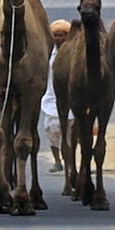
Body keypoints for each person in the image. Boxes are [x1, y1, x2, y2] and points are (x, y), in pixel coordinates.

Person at [40, 19, 72, 172]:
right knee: (51, 129)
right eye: (56, 35)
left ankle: (70, 162)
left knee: (71, 134)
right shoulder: (47, 54)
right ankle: (57, 160)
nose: (59, 38)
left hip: (71, 98)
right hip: (51, 96)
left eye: (62, 35)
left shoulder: (73, 53)